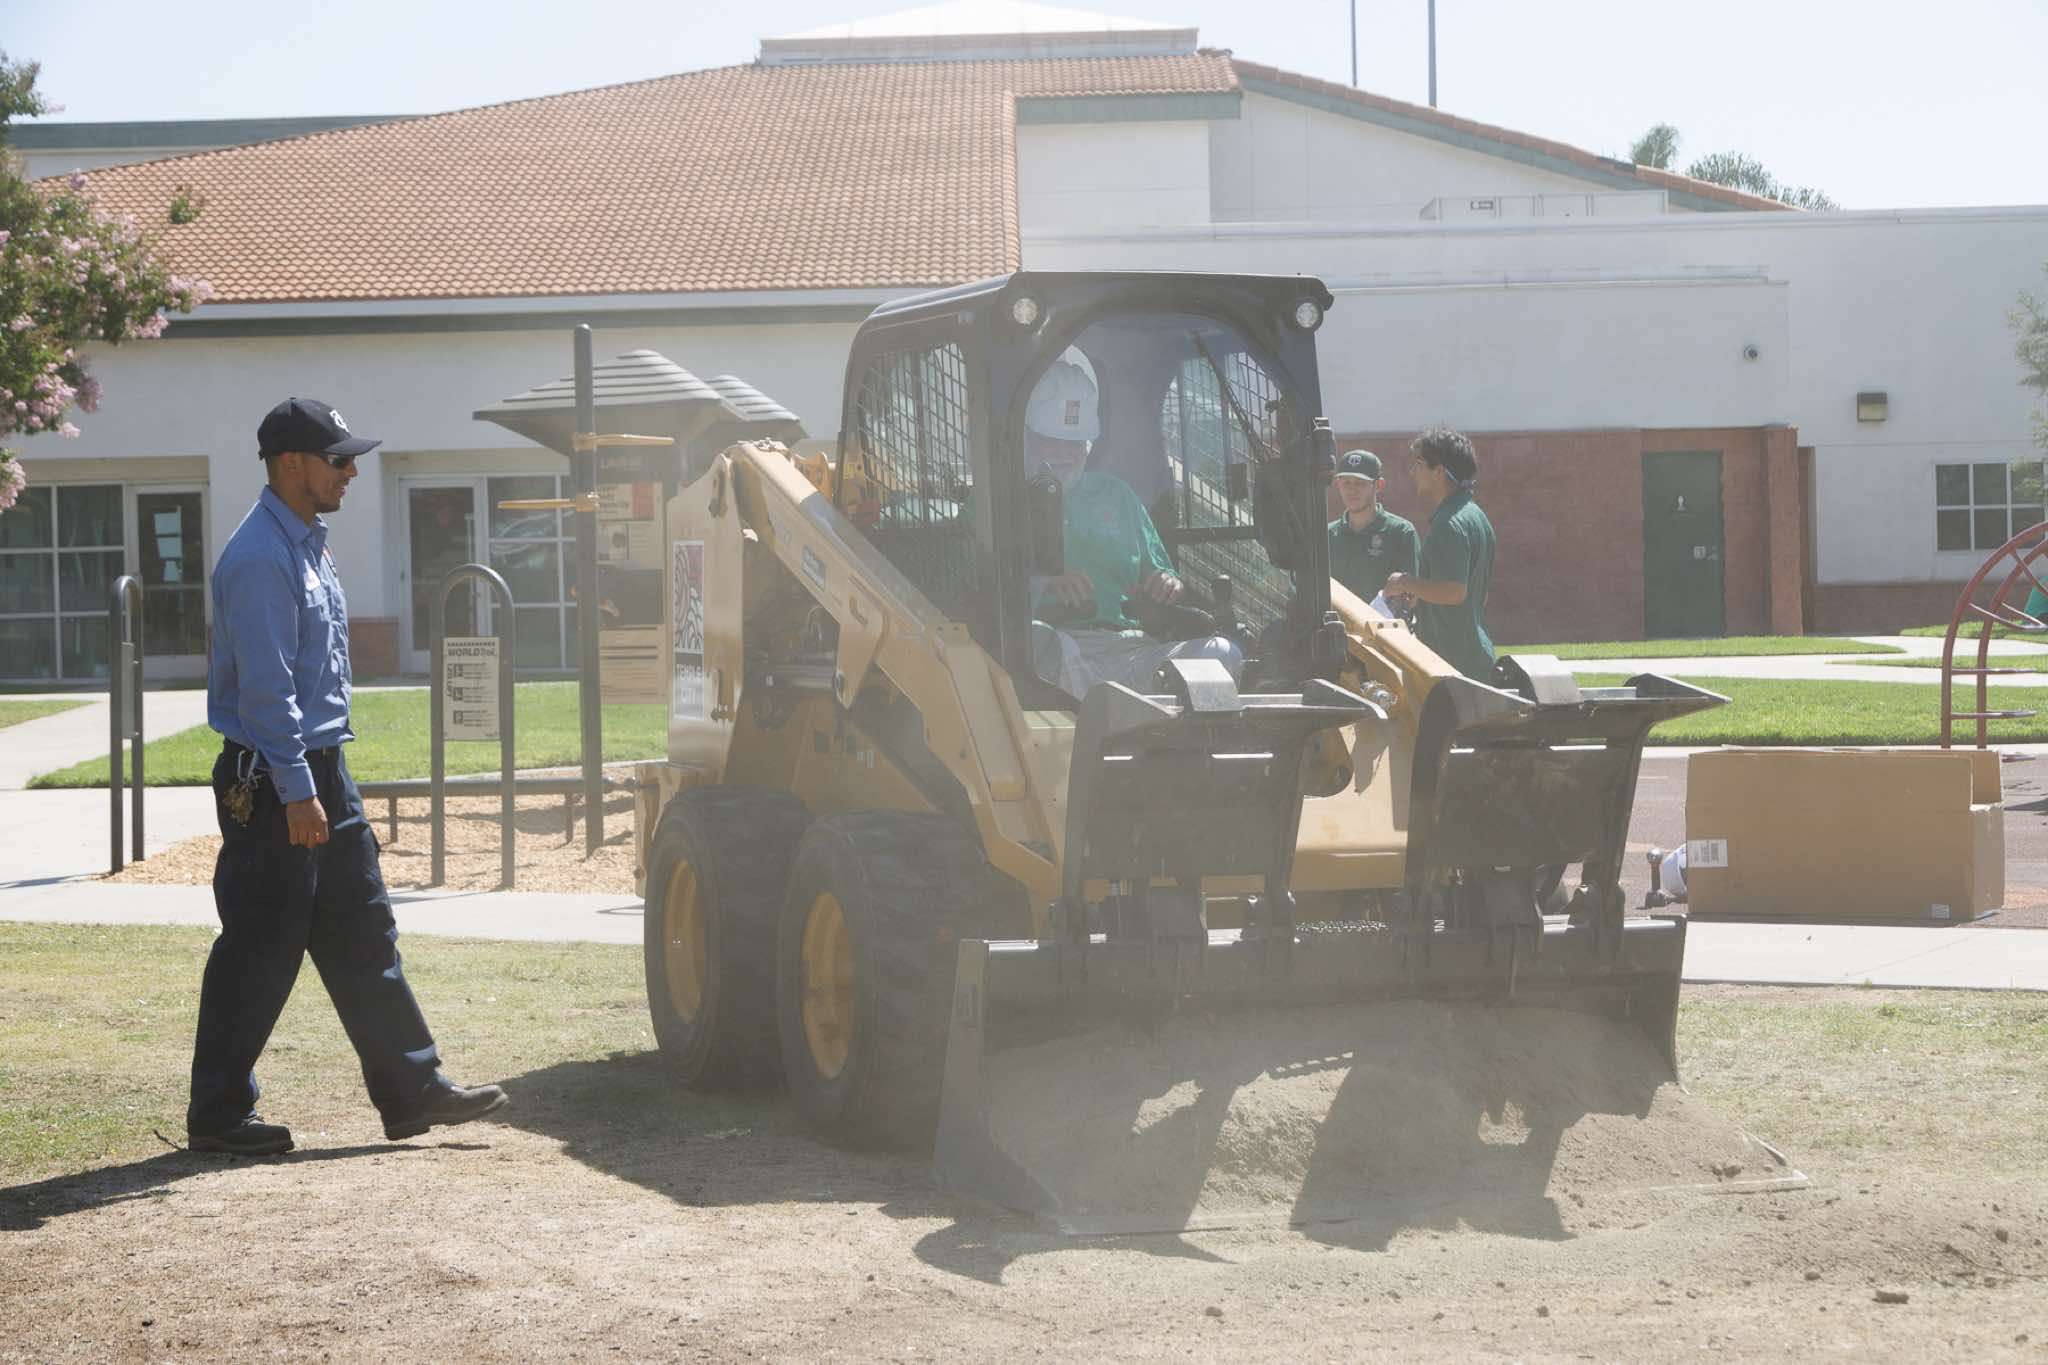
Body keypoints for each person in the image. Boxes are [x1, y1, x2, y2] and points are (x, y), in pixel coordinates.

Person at [186, 397, 508, 1155]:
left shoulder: (306, 544)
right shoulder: (261, 556)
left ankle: (413, 1089)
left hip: (322, 768)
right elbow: (267, 693)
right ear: (290, 463)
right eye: (338, 459)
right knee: (261, 946)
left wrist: (319, 783)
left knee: (364, 929)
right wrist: (298, 791)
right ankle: (218, 1114)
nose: (352, 472)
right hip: (277, 778)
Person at [1025, 360, 1243, 697]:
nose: (1065, 453)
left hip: (1132, 650)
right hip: (1062, 651)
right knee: (1034, 641)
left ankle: (1120, 708)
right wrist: (1044, 582)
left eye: (1076, 442)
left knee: (1222, 653)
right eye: (1053, 441)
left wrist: (1166, 583)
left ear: (1090, 444)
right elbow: (973, 595)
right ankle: (1115, 711)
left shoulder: (1117, 495)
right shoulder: (998, 500)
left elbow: (1161, 573)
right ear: (1028, 437)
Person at [1384, 425, 1497, 680]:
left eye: (1418, 464)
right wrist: (1421, 596)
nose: (1412, 472)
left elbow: (1454, 591)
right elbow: (1478, 595)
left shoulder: (1448, 523)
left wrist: (1403, 582)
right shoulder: (1475, 515)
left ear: (1439, 471)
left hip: (1451, 663)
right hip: (1473, 657)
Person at [1326, 448, 1419, 606]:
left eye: (1360, 483)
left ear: (1379, 485)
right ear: (1338, 484)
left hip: (1382, 621)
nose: (1351, 489)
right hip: (1335, 622)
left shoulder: (1401, 532)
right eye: (1346, 482)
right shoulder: (1327, 535)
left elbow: (1410, 597)